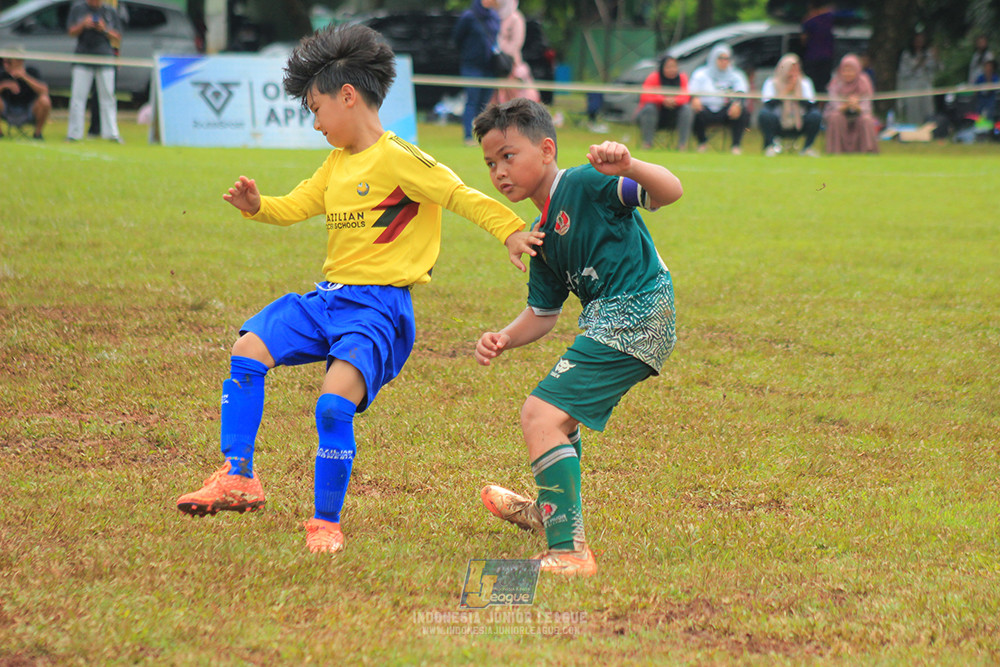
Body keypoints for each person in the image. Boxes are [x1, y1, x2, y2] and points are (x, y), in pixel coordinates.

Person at [175, 24, 544, 557]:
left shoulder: (400, 158)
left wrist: (511, 229)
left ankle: (325, 523)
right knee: (248, 350)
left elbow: (459, 195)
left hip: (377, 310)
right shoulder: (336, 164)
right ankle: (238, 477)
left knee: (332, 407)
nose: (316, 121)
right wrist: (259, 207)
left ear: (348, 96)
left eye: (316, 108)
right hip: (329, 299)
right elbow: (297, 206)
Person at [471, 98, 684, 577]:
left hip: (639, 313)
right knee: (558, 419)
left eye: (508, 155)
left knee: (538, 414)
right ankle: (552, 515)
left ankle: (569, 551)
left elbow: (670, 192)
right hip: (608, 322)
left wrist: (630, 165)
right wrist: (504, 337)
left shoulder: (587, 182)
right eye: (489, 163)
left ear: (547, 150)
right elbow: (543, 314)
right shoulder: (539, 232)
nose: (499, 171)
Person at [66, 0, 123, 143]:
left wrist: (103, 29)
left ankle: (111, 134)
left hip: (105, 57)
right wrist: (83, 25)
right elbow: (71, 32)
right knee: (78, 97)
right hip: (83, 56)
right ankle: (74, 134)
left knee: (108, 96)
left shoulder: (110, 12)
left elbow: (117, 36)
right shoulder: (78, 9)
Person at [453, 0, 500, 145]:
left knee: (484, 103)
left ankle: (482, 135)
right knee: (472, 100)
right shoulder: (469, 16)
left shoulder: (494, 16)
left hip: (489, 66)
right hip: (472, 66)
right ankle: (468, 135)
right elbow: (457, 38)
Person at [688, 43, 750, 154]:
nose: (724, 61)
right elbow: (693, 92)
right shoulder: (701, 74)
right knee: (693, 111)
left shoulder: (736, 75)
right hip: (705, 109)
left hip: (726, 110)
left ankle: (736, 146)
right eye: (720, 58)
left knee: (742, 111)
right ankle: (702, 143)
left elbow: (741, 92)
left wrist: (737, 104)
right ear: (713, 58)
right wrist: (694, 99)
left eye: (727, 58)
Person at [758, 53, 822, 157]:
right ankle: (771, 146)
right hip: (778, 120)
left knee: (815, 115)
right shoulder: (772, 82)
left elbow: (811, 105)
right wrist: (785, 91)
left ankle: (807, 148)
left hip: (799, 121)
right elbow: (768, 104)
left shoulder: (805, 83)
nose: (793, 73)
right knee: (764, 115)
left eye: (796, 69)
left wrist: (797, 94)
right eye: (790, 69)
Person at [824, 54, 879, 154]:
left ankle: (868, 151)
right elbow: (834, 104)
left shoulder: (864, 82)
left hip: (859, 113)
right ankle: (835, 151)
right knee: (835, 118)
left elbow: (867, 106)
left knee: (866, 120)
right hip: (841, 112)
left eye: (851, 70)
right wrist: (847, 105)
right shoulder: (835, 82)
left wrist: (856, 106)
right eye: (845, 70)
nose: (847, 74)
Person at [635, 55, 692, 150]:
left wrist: (674, 101)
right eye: (668, 67)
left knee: (686, 109)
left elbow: (686, 97)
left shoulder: (682, 78)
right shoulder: (654, 77)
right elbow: (645, 96)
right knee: (649, 108)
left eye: (674, 66)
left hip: (674, 115)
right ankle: (647, 144)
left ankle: (682, 145)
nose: (672, 69)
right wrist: (663, 100)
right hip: (655, 115)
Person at [492, 0, 540, 105]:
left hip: (510, 65)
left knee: (512, 100)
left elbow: (516, 44)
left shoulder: (516, 18)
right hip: (494, 65)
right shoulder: (492, 17)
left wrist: (500, 48)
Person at [0, 55, 51, 140]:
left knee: (45, 100)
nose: (5, 65)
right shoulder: (2, 74)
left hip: (28, 110)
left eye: (9, 62)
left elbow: (44, 90)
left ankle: (38, 134)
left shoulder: (32, 72)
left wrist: (24, 76)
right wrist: (4, 85)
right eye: (3, 62)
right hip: (8, 110)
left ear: (20, 61)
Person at [896, 31, 939, 126]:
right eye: (917, 40)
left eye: (921, 41)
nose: (919, 43)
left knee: (927, 106)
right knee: (913, 107)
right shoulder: (907, 54)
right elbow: (904, 72)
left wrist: (936, 57)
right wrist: (919, 63)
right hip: (912, 84)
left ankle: (928, 127)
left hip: (925, 83)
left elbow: (936, 68)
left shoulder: (928, 53)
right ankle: (913, 127)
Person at [800, 0, 835, 93]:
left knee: (813, 85)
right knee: (823, 85)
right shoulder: (829, 18)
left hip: (813, 57)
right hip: (827, 57)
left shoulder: (809, 21)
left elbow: (803, 40)